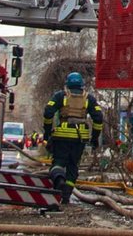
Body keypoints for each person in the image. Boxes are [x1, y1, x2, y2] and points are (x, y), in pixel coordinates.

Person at [42, 72, 104, 204]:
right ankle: (66, 196)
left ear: (67, 84)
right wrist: (95, 138)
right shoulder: (89, 99)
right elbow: (98, 118)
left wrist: (47, 132)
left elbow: (48, 112)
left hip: (61, 138)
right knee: (73, 166)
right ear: (82, 85)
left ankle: (59, 180)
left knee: (58, 162)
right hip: (79, 139)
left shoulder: (60, 96)